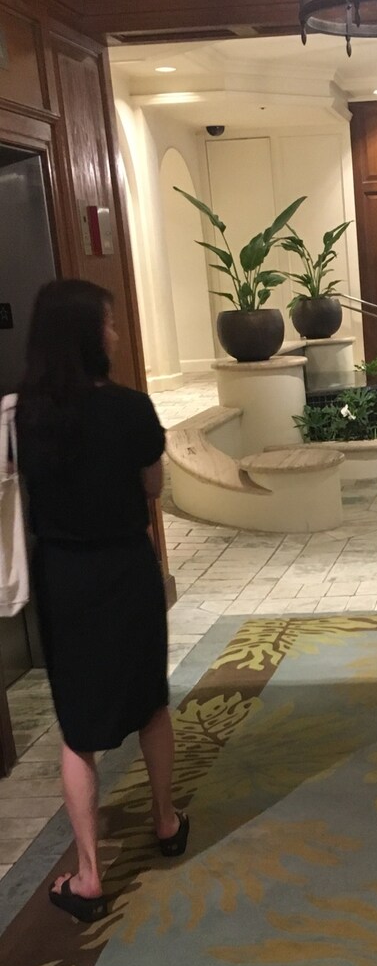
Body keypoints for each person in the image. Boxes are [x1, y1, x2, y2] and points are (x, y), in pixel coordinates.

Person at [16, 279, 189, 924]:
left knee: (78, 729)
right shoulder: (130, 408)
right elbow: (153, 486)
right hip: (126, 570)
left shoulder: (26, 416)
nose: (115, 334)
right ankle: (166, 821)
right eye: (109, 324)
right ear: (88, 335)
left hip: (65, 578)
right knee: (150, 703)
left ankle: (89, 875)